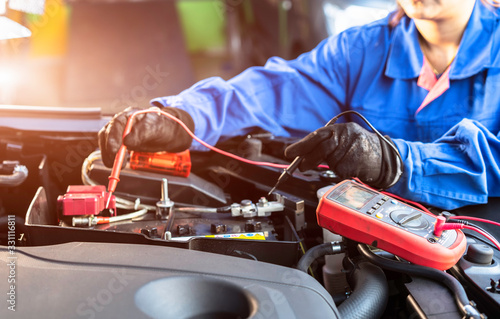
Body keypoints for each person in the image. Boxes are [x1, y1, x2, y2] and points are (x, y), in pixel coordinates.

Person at [99, 0, 500, 210]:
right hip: (366, 246)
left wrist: (395, 161)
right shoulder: (361, 49)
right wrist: (184, 117)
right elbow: (275, 91)